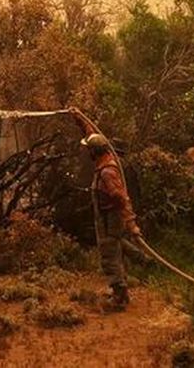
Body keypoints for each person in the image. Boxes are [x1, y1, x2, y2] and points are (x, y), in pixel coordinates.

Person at [70, 108, 142, 309]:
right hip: (107, 216)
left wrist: (131, 224)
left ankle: (119, 295)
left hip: (111, 217)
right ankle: (138, 262)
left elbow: (121, 198)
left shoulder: (108, 172)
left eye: (89, 150)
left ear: (94, 152)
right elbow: (93, 134)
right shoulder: (106, 154)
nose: (87, 152)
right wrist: (79, 118)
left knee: (109, 254)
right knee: (116, 247)